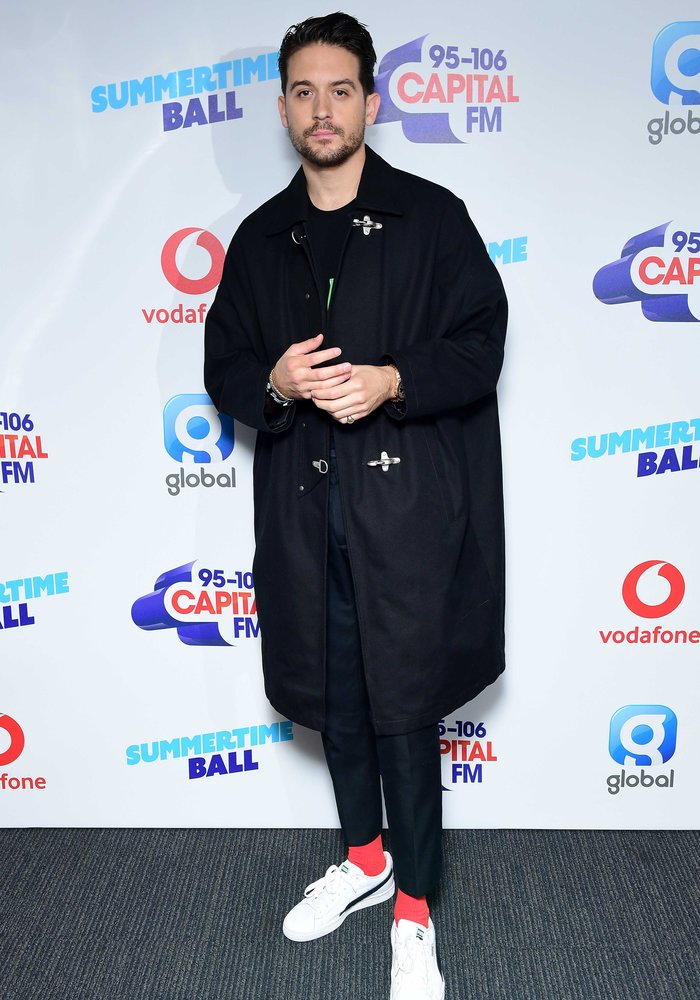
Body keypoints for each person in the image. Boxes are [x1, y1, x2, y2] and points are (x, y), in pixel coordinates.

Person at [204, 13, 507, 999]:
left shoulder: (432, 215)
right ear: (284, 105)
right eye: (302, 90)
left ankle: (414, 911)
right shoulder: (258, 238)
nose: (321, 108)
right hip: (302, 514)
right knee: (335, 698)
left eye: (340, 89)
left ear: (371, 102)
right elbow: (226, 369)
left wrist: (392, 380)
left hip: (406, 511)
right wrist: (280, 383)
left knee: (403, 708)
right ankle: (365, 858)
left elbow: (479, 342)